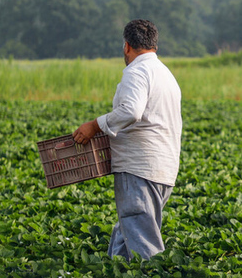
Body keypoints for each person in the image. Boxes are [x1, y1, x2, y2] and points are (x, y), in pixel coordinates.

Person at [73, 19, 182, 261]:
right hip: (162, 168)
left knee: (140, 235)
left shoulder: (137, 71)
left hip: (139, 168)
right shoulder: (165, 74)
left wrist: (95, 125)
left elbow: (132, 111)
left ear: (126, 46)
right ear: (154, 44)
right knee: (128, 230)